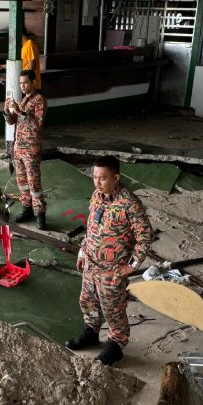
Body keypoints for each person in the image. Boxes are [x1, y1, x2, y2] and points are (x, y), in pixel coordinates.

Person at [66, 156, 153, 366]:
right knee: (87, 301)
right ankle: (91, 333)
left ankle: (116, 345)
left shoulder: (130, 204)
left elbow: (145, 236)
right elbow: (92, 227)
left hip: (112, 270)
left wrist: (131, 266)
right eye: (94, 177)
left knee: (113, 309)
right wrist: (82, 252)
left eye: (102, 178)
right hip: (90, 263)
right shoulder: (97, 196)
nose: (97, 182)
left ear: (116, 177)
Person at [4, 70, 47, 229]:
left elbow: (37, 124)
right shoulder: (22, 101)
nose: (22, 86)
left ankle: (40, 214)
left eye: (25, 82)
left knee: (34, 183)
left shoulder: (39, 100)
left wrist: (20, 111)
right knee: (22, 183)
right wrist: (7, 111)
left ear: (33, 82)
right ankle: (27, 209)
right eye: (21, 83)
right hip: (19, 148)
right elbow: (12, 122)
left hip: (31, 149)